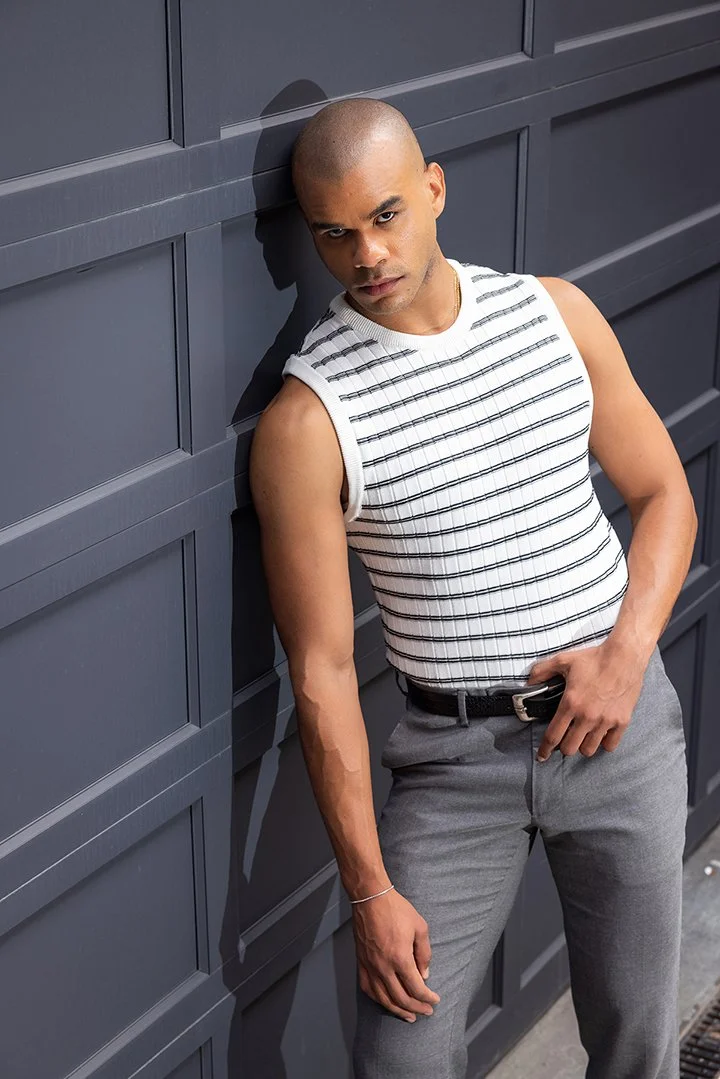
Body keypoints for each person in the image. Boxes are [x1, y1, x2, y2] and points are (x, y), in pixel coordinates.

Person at [249, 97, 695, 1079]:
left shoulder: (555, 313)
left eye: (386, 214)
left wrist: (626, 660)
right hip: (452, 770)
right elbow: (321, 672)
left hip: (620, 731)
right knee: (401, 1057)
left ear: (435, 188)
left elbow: (666, 494)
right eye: (335, 232)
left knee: (637, 1038)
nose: (366, 253)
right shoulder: (307, 420)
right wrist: (368, 890)